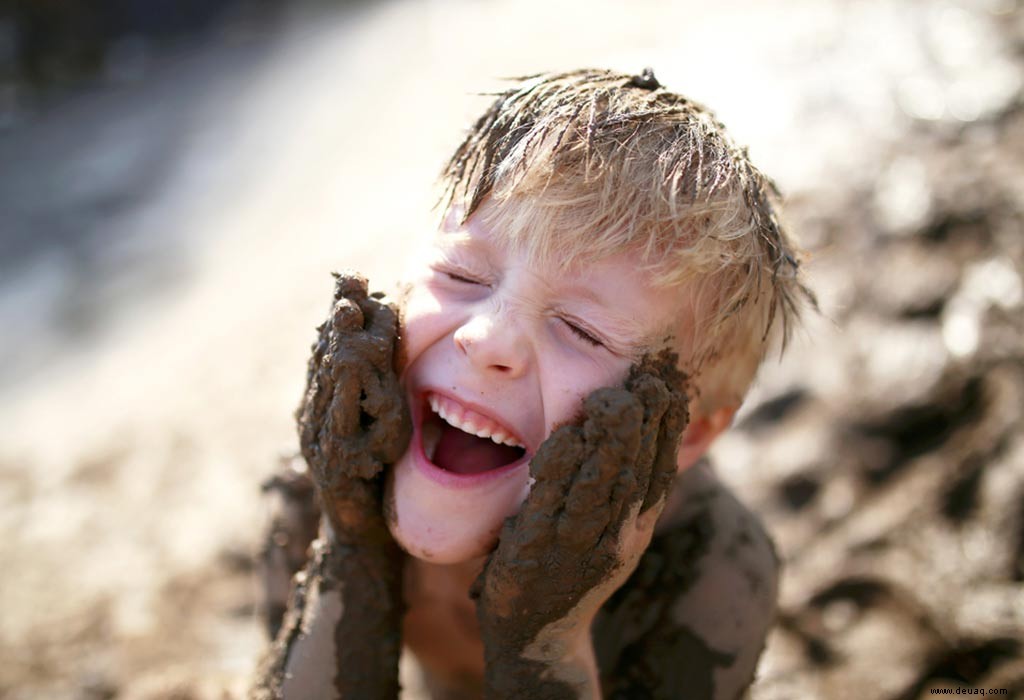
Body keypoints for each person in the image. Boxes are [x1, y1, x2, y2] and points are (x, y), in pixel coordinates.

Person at [251, 67, 813, 700]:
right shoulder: (315, 492)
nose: (487, 338)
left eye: (583, 330)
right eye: (461, 274)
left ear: (691, 433)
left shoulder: (711, 570)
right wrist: (352, 549)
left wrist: (546, 645)